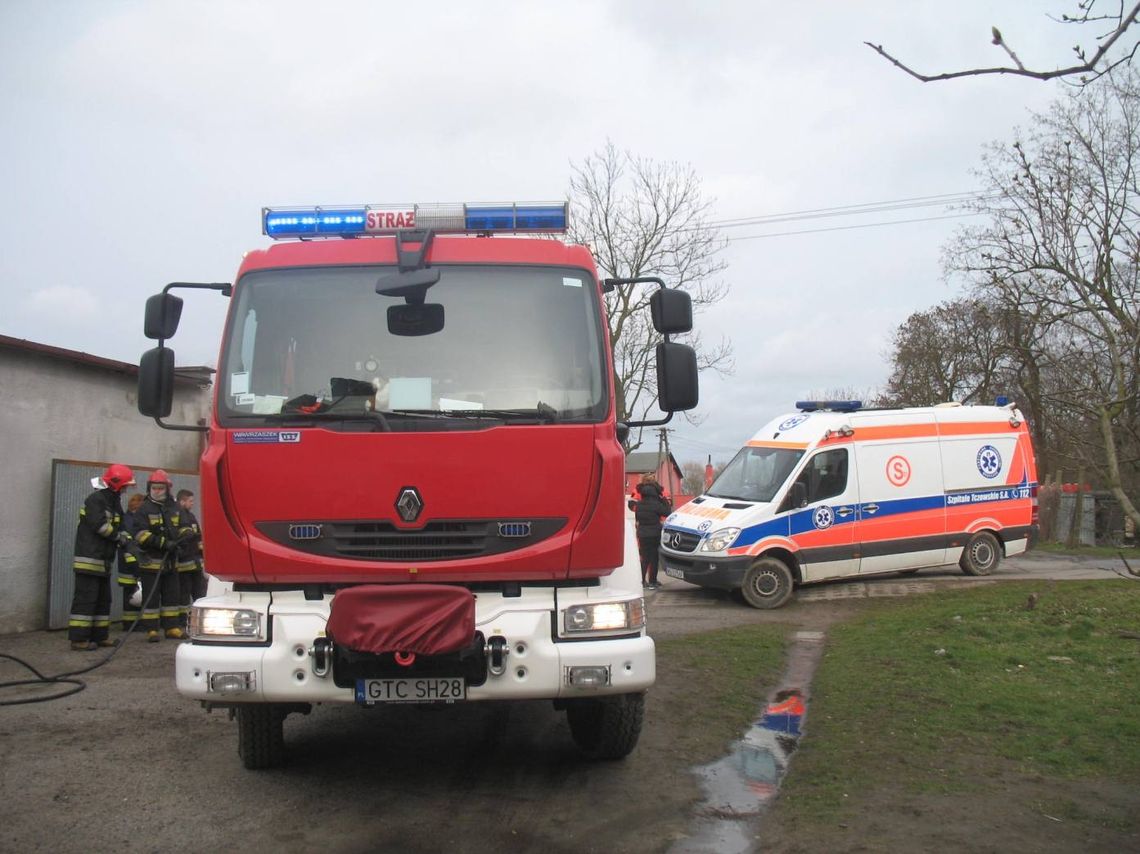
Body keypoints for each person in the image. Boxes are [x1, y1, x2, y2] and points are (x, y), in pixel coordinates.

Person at [68, 464, 135, 651]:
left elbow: (121, 526)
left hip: (104, 560)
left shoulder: (113, 501)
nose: (126, 489)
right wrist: (118, 537)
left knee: (103, 599)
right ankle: (79, 639)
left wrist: (130, 542)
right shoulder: (95, 500)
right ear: (116, 484)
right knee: (86, 599)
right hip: (89, 559)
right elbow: (99, 525)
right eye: (125, 485)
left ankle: (99, 636)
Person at [131, 470, 186, 642]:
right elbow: (140, 534)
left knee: (172, 597)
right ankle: (152, 630)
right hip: (152, 563)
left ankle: (172, 628)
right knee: (151, 597)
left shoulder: (174, 507)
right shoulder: (144, 509)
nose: (157, 491)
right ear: (149, 488)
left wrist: (185, 537)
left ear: (167, 488)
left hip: (171, 562)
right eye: (154, 488)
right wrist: (162, 543)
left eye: (160, 488)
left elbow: (184, 525)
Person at [634, 473, 672, 590]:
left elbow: (637, 517)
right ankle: (653, 581)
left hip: (642, 533)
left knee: (644, 558)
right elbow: (667, 512)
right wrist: (664, 499)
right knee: (654, 557)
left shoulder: (639, 504)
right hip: (654, 533)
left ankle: (641, 581)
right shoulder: (656, 504)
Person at [175, 489, 205, 632]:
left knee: (199, 592)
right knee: (183, 594)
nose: (192, 504)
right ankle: (183, 620)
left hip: (195, 562)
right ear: (182, 501)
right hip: (183, 562)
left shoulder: (191, 516)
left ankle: (199, 619)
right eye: (190, 501)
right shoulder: (176, 515)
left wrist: (202, 553)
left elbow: (197, 537)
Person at [116, 492, 146, 631]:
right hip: (130, 562)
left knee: (134, 592)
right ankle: (129, 624)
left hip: (131, 561)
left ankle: (132, 623)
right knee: (130, 592)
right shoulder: (129, 520)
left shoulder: (129, 518)